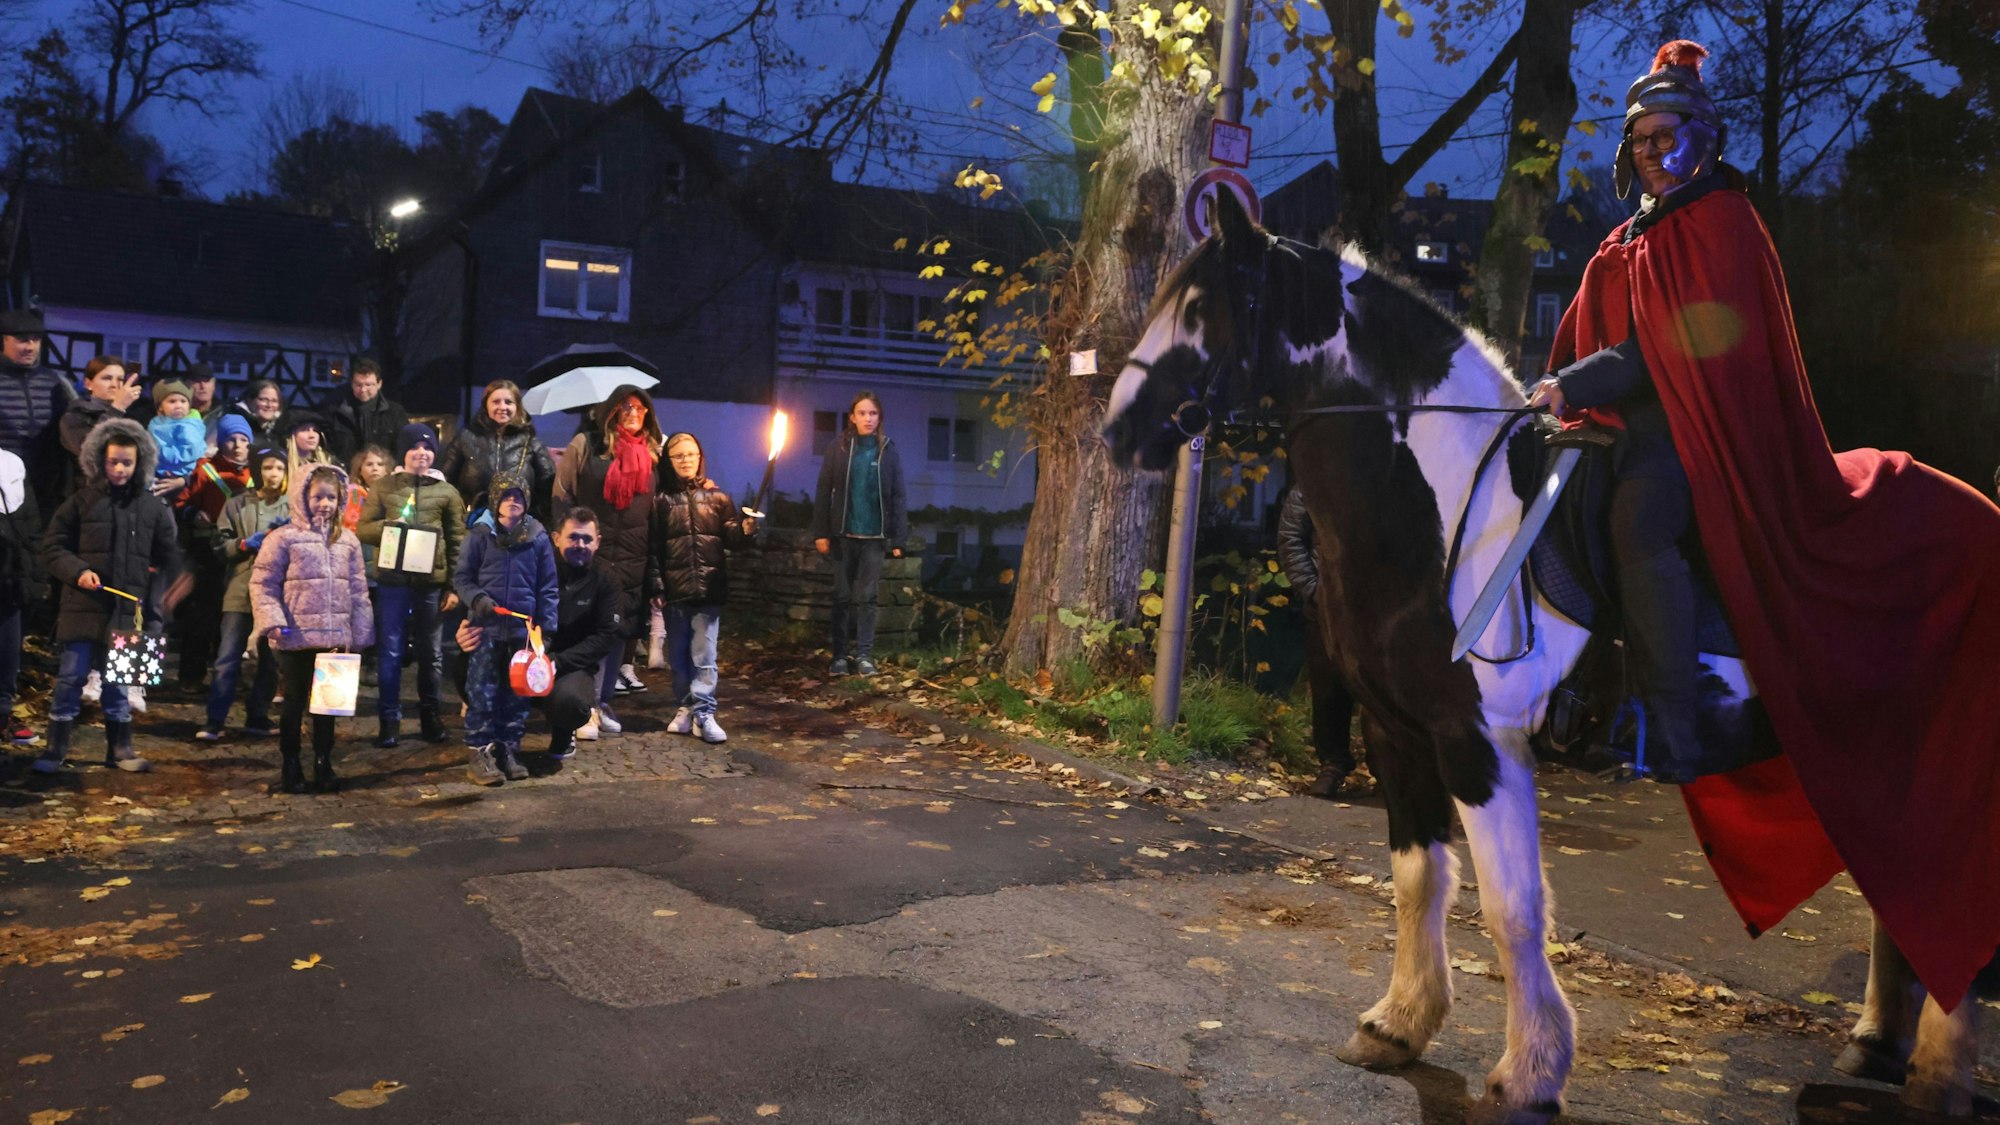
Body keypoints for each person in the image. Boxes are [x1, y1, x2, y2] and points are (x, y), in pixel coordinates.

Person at [1531, 40, 2000, 1009]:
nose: (1655, 152)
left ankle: (1673, 721)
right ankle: (1572, 694)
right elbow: (1602, 330)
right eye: (1642, 140)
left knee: (1643, 515)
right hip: (1629, 424)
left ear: (1700, 138)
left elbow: (1671, 346)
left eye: (1669, 136)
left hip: (1707, 442)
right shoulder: (1629, 236)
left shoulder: (1723, 224)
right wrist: (1552, 391)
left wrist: (1572, 381)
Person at [34, 418, 181, 774]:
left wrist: (160, 591)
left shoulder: (152, 509)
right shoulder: (80, 502)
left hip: (129, 612)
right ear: (100, 461)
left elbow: (168, 556)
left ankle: (121, 749)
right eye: (113, 461)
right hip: (82, 608)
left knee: (118, 684)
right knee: (71, 678)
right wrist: (78, 571)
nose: (118, 469)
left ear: (139, 464)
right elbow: (53, 547)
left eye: (126, 462)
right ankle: (55, 749)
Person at [455, 506, 621, 764]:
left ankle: (564, 731)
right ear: (555, 538)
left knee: (571, 702)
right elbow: (498, 598)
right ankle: (495, 743)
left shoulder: (606, 581)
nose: (580, 544)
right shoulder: (531, 567)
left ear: (598, 542)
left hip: (567, 665)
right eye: (573, 537)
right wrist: (467, 626)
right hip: (521, 654)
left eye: (587, 539)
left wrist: (557, 663)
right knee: (467, 666)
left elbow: (606, 636)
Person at [249, 462, 373, 794]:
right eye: (317, 497)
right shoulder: (283, 538)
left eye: (331, 498)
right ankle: (291, 764)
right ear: (303, 497)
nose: (324, 504)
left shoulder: (347, 540)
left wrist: (360, 632)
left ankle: (323, 761)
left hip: (334, 637)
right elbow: (263, 584)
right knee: (293, 704)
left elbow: (358, 590)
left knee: (326, 706)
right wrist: (272, 621)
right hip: (296, 636)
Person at [554, 385, 660, 730]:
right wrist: (568, 540)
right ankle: (583, 706)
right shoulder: (587, 445)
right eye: (626, 407)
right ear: (611, 410)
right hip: (591, 552)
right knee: (587, 630)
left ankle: (603, 703)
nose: (633, 413)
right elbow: (562, 494)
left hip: (632, 556)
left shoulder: (653, 451)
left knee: (619, 628)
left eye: (640, 408)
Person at [357, 423, 465, 748]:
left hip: (430, 584)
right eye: (415, 447)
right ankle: (389, 721)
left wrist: (454, 586)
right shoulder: (384, 486)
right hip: (392, 582)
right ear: (404, 452)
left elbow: (458, 539)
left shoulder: (447, 492)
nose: (422, 453)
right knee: (390, 652)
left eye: (428, 447)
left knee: (431, 654)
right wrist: (391, 529)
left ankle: (430, 717)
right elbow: (363, 528)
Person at [648, 432, 756, 744]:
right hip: (675, 592)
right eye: (678, 456)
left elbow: (733, 539)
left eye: (691, 454)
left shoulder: (718, 499)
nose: (685, 461)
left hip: (709, 590)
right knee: (679, 656)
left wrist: (746, 531)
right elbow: (654, 548)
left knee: (705, 653)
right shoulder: (661, 502)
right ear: (669, 461)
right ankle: (684, 707)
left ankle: (705, 712)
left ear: (700, 457)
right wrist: (656, 584)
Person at [453, 472, 557, 786]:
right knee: (482, 693)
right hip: (486, 629)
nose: (513, 502)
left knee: (517, 696)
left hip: (522, 634)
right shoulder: (480, 535)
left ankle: (509, 749)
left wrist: (546, 629)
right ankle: (479, 752)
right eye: (506, 496)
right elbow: (462, 578)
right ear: (496, 500)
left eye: (519, 497)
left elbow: (548, 587)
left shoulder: (538, 537)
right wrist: (478, 599)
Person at [809, 391, 907, 676]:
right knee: (841, 595)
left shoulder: (888, 449)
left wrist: (898, 538)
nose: (868, 418)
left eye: (873, 413)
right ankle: (839, 656)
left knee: (868, 597)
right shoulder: (838, 448)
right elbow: (824, 490)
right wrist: (821, 532)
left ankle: (864, 656)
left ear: (880, 418)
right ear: (852, 417)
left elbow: (898, 495)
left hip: (874, 537)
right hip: (843, 535)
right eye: (862, 413)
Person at [1275, 486, 1363, 797]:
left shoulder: (1386, 474)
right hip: (1327, 608)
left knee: (1386, 692)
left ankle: (1386, 764)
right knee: (1328, 691)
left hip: (1379, 610)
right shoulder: (1310, 486)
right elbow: (1290, 540)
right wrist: (1314, 592)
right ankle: (1333, 764)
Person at [197, 445, 289, 741]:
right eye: (267, 468)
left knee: (270, 658)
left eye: (278, 468)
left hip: (277, 593)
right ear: (256, 471)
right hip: (239, 588)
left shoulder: (293, 508)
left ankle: (258, 716)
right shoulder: (236, 505)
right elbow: (220, 546)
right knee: (228, 656)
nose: (273, 474)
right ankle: (215, 719)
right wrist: (245, 544)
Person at [175, 413, 255, 689]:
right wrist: (192, 512)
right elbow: (182, 504)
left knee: (236, 615)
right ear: (221, 442)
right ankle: (191, 675)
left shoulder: (257, 473)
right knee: (202, 614)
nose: (236, 445)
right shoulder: (205, 470)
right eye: (231, 439)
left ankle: (227, 676)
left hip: (244, 552)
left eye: (243, 439)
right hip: (207, 550)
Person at [438, 380, 557, 520]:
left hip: (517, 527)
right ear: (485, 405)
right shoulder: (465, 438)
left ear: (517, 407)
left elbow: (548, 490)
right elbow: (444, 483)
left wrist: (532, 520)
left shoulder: (531, 442)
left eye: (508, 402)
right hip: (472, 525)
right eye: (496, 402)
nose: (502, 407)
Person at [0, 308, 76, 511]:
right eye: (22, 340)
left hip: (45, 484)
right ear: (3, 341)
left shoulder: (54, 382)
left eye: (36, 340)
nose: (30, 346)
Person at [0, 445, 40, 758]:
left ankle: (2, 716)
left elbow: (29, 524)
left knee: (7, 650)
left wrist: (32, 572)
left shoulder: (12, 464)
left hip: (7, 576)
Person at [323, 358, 410, 465]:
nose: (363, 390)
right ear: (352, 384)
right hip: (346, 475)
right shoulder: (336, 412)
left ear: (379, 384)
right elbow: (327, 447)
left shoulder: (395, 413)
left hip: (384, 476)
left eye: (368, 385)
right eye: (358, 385)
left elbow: (404, 447)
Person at [60, 356, 141, 459]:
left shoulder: (131, 414)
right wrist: (117, 408)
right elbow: (88, 450)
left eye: (120, 379)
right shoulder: (73, 416)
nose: (114, 385)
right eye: (107, 378)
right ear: (88, 383)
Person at [148, 379, 205, 484]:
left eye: (183, 401)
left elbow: (191, 451)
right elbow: (151, 445)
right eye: (172, 401)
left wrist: (165, 456)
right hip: (157, 471)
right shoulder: (156, 424)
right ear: (160, 406)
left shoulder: (189, 426)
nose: (178, 406)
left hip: (183, 473)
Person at [225, 379, 287, 446]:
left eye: (274, 401)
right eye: (263, 400)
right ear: (249, 400)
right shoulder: (233, 426)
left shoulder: (282, 430)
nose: (269, 405)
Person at [345, 445, 391, 532]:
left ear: (387, 470)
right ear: (360, 470)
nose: (375, 468)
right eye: (369, 464)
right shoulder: (355, 492)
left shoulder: (392, 491)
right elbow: (352, 521)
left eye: (380, 464)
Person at [184, 363, 221, 453]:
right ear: (187, 385)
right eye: (197, 381)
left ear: (214, 385)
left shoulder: (224, 414)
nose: (202, 386)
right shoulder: (178, 414)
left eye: (207, 381)